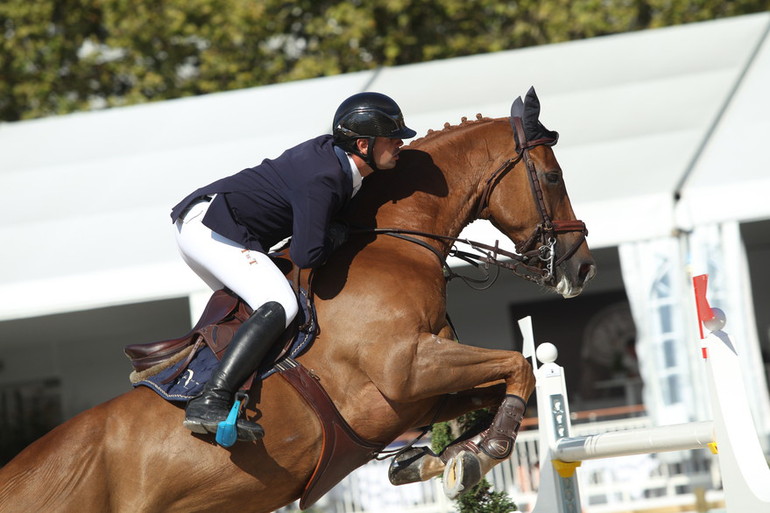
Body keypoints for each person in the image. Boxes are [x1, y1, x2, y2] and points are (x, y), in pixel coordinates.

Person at [170, 92, 417, 442]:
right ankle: (210, 400)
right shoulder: (324, 176)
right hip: (212, 227)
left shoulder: (338, 164)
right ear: (363, 144)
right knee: (280, 305)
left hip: (207, 224)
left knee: (253, 313)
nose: (400, 143)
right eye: (393, 139)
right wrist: (337, 234)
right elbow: (307, 254)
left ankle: (198, 377)